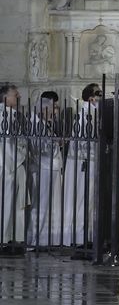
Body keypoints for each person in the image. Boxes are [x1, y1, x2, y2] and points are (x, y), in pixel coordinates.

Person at [63, 82, 101, 246]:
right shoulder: (84, 115)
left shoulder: (94, 113)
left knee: (90, 201)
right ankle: (79, 238)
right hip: (83, 164)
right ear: (91, 98)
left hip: (91, 162)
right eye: (98, 94)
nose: (101, 97)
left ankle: (87, 236)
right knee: (81, 199)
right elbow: (82, 143)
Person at [29, 90, 63, 247]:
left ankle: (48, 238)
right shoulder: (35, 122)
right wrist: (55, 142)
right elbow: (38, 147)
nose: (55, 110)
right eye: (53, 106)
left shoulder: (49, 123)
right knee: (41, 204)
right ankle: (36, 240)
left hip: (54, 166)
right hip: (44, 167)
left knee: (52, 204)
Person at [0, 83, 26, 245]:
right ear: (4, 97)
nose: (17, 97)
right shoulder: (3, 115)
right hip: (6, 164)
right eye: (14, 94)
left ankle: (10, 238)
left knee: (13, 205)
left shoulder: (14, 115)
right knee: (5, 203)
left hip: (14, 163)